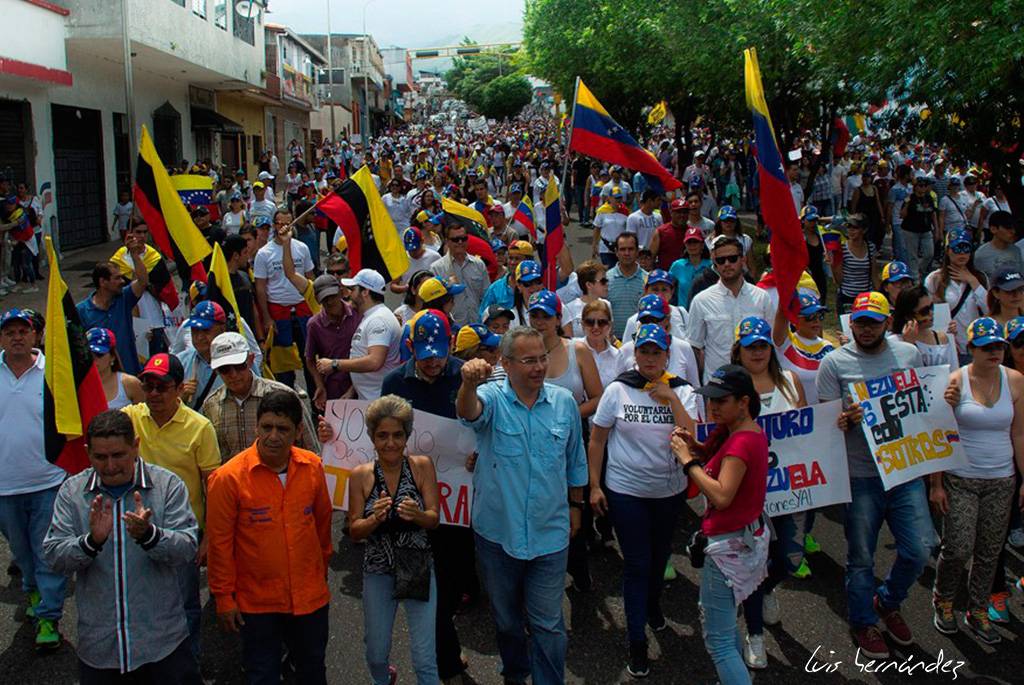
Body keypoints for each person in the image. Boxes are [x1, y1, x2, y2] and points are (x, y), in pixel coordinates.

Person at [456, 327, 588, 685]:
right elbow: (469, 413)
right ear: (506, 363)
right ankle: (515, 673)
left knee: (549, 624)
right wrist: (467, 384)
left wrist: (576, 506)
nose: (539, 367)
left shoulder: (564, 403)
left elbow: (575, 460)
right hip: (498, 536)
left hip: (550, 535)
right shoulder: (490, 397)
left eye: (542, 358)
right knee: (507, 621)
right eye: (529, 360)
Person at [43, 410, 200, 682]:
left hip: (163, 646)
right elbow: (54, 556)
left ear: (135, 446)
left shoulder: (167, 486)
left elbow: (187, 548)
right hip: (100, 650)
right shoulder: (72, 493)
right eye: (100, 457)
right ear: (87, 452)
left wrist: (150, 536)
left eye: (118, 455)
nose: (110, 466)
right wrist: (91, 543)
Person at [816, 291, 928, 659]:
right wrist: (844, 420)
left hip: (904, 469)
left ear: (888, 322)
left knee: (919, 550)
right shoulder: (834, 363)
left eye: (874, 323)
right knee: (861, 555)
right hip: (860, 474)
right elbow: (826, 422)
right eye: (860, 323)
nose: (866, 329)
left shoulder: (909, 355)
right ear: (851, 324)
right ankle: (863, 621)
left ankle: (888, 600)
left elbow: (922, 405)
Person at [588, 324, 699, 677]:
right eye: (644, 351)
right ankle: (636, 640)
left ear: (667, 355)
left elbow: (695, 438)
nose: (650, 359)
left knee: (660, 557)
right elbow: (598, 439)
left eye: (656, 352)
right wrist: (595, 485)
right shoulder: (618, 389)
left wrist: (672, 400)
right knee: (637, 564)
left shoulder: (683, 390)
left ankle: (652, 606)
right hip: (626, 491)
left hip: (669, 492)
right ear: (635, 354)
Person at [206, 390, 333, 684]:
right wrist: (224, 598)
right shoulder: (228, 478)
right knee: (262, 674)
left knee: (312, 670)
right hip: (257, 604)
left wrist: (320, 572)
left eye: (282, 429)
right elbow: (219, 543)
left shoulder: (313, 467)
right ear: (256, 427)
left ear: (298, 431)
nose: (273, 436)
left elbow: (322, 527)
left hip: (309, 598)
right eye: (266, 427)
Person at [670, 365, 770, 685]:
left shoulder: (740, 442)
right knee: (726, 629)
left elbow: (722, 495)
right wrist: (698, 449)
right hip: (745, 539)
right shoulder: (745, 432)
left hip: (728, 547)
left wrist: (688, 461)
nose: (712, 406)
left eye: (721, 400)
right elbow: (724, 465)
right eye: (710, 399)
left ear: (744, 402)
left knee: (719, 642)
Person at [121, 353, 221, 661]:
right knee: (140, 601)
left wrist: (208, 538)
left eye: (161, 387)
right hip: (137, 530)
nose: (153, 394)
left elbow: (212, 487)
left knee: (184, 604)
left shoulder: (200, 427)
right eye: (147, 386)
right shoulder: (130, 418)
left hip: (182, 533)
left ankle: (187, 664)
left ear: (179, 389)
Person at [932, 317, 1024, 644]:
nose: (994, 352)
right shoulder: (954, 381)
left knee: (989, 550)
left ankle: (978, 608)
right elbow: (940, 434)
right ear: (971, 348)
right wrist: (936, 484)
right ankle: (944, 599)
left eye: (998, 346)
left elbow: (1019, 433)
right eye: (986, 347)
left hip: (1002, 479)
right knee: (957, 547)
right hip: (961, 478)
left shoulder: (1015, 381)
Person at [729, 318, 809, 668]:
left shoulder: (790, 381)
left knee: (791, 557)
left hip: (789, 489)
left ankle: (767, 588)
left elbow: (807, 427)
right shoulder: (729, 389)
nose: (758, 352)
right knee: (753, 562)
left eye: (763, 345)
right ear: (738, 351)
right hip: (748, 494)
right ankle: (755, 634)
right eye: (751, 346)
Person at [347, 395, 441, 685]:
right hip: (378, 568)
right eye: (382, 436)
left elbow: (434, 519)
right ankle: (384, 678)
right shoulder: (360, 475)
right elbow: (354, 530)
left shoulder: (422, 466)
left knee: (425, 658)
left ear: (407, 435)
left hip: (417, 564)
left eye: (398, 435)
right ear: (372, 437)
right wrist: (374, 519)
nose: (390, 443)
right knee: (376, 653)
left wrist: (417, 515)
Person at [0, 309, 68, 650]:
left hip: (47, 481)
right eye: (10, 332)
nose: (17, 337)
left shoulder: (53, 373)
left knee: (46, 553)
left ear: (35, 335)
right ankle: (34, 593)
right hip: (4, 486)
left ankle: (48, 616)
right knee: (22, 553)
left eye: (23, 331)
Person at [202, 331, 319, 463]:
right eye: (224, 369)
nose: (233, 374)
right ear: (216, 370)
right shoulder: (211, 405)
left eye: (239, 366)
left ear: (250, 360)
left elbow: (310, 450)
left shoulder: (285, 396)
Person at [687, 236, 773, 382]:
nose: (727, 264)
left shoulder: (762, 297)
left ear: (743, 260)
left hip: (755, 383)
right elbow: (694, 348)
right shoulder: (701, 301)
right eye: (721, 260)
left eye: (732, 259)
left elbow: (771, 342)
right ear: (715, 263)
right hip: (717, 384)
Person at [254, 209, 316, 388]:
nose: (283, 228)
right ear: (274, 225)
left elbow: (310, 277)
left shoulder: (302, 248)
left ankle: (315, 395)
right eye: (280, 223)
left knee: (309, 356)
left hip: (303, 310)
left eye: (288, 223)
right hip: (279, 312)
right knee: (283, 364)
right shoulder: (264, 253)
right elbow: (260, 288)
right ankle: (287, 392)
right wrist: (267, 318)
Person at [325, 269, 402, 400]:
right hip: (371, 397)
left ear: (365, 292)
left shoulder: (379, 320)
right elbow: (363, 354)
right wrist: (352, 391)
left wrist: (335, 364)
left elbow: (374, 361)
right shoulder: (372, 316)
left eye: (353, 289)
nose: (349, 294)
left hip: (379, 400)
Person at [77, 243, 150, 376]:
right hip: (102, 379)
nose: (122, 281)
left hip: (130, 373)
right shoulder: (82, 311)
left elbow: (143, 282)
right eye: (117, 278)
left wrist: (134, 255)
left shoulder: (124, 298)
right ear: (103, 282)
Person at [925, 228, 988, 360]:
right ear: (948, 250)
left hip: (976, 343)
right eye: (957, 249)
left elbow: (989, 309)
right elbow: (926, 311)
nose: (962, 253)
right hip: (948, 344)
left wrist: (972, 281)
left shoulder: (981, 278)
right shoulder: (934, 279)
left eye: (966, 248)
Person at [305, 274, 361, 409]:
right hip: (334, 389)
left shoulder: (357, 314)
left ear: (341, 292)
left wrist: (353, 389)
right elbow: (310, 359)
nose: (330, 302)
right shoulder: (314, 325)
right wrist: (320, 386)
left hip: (361, 384)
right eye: (325, 299)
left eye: (332, 296)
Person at [772, 293, 834, 405]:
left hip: (826, 412)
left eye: (820, 315)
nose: (816, 321)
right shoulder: (785, 344)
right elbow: (782, 313)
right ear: (794, 320)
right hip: (797, 412)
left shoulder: (829, 347)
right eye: (810, 317)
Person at [430, 223, 489, 327]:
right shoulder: (436, 268)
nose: (460, 242)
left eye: (463, 238)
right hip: (453, 328)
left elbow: (486, 296)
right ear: (447, 241)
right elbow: (435, 303)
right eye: (455, 239)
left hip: (478, 325)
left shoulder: (479, 264)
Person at [891, 285, 958, 368]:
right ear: (908, 316)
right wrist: (908, 345)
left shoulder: (941, 338)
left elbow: (952, 370)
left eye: (931, 307)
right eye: (924, 311)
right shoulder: (895, 342)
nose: (931, 313)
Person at [621, 269, 689, 343]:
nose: (660, 294)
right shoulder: (634, 321)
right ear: (646, 290)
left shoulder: (681, 313)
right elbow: (628, 348)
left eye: (664, 290)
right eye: (655, 289)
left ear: (672, 292)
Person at [86, 328, 144, 410]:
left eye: (99, 355)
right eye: (89, 355)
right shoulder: (80, 385)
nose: (94, 360)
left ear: (112, 356)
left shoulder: (130, 383)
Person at [833, 214, 878, 314]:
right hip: (847, 298)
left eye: (855, 227)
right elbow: (838, 279)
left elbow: (874, 276)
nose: (851, 230)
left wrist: (882, 295)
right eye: (848, 227)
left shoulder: (870, 247)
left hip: (866, 298)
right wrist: (833, 262)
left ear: (864, 230)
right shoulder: (842, 248)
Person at [607, 233, 648, 340]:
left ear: (637, 251)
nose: (626, 253)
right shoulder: (606, 279)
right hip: (612, 341)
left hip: (640, 340)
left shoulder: (648, 280)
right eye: (622, 249)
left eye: (631, 249)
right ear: (616, 252)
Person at [576, 299, 621, 387]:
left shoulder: (618, 356)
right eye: (590, 322)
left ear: (609, 325)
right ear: (583, 324)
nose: (596, 327)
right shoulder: (573, 350)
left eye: (602, 322)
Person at [561, 260, 610, 338]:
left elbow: (608, 335)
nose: (607, 284)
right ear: (589, 285)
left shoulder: (607, 305)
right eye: (603, 281)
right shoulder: (569, 308)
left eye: (607, 280)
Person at [668, 226, 712, 308]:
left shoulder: (711, 265)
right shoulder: (677, 265)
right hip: (683, 312)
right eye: (689, 242)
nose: (692, 245)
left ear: (702, 245)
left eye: (695, 242)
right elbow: (668, 288)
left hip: (706, 311)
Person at [975, 211, 1023, 285]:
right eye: (1008, 228)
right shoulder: (981, 255)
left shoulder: (1016, 250)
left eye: (1013, 228)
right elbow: (981, 283)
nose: (1013, 232)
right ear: (993, 229)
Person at [393, 227, 442, 294]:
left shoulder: (435, 257)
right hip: (410, 297)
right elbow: (393, 285)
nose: (412, 252)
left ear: (422, 241)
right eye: (410, 249)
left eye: (415, 249)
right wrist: (405, 288)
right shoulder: (401, 259)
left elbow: (443, 279)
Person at [593, 189, 629, 267]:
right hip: (606, 248)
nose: (618, 200)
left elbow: (628, 231)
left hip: (621, 248)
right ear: (609, 198)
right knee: (610, 269)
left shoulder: (625, 212)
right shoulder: (602, 211)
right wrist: (594, 245)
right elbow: (597, 228)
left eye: (620, 198)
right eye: (616, 198)